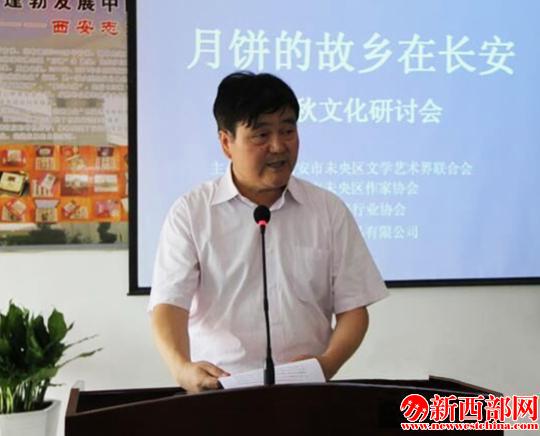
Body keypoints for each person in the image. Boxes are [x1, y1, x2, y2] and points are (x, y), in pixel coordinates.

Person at [149, 71, 388, 393]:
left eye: (288, 131)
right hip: (219, 394)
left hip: (305, 393)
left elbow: (354, 309)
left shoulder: (327, 210)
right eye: (261, 135)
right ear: (226, 143)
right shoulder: (191, 213)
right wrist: (182, 369)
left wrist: (326, 364)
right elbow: (168, 305)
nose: (278, 146)